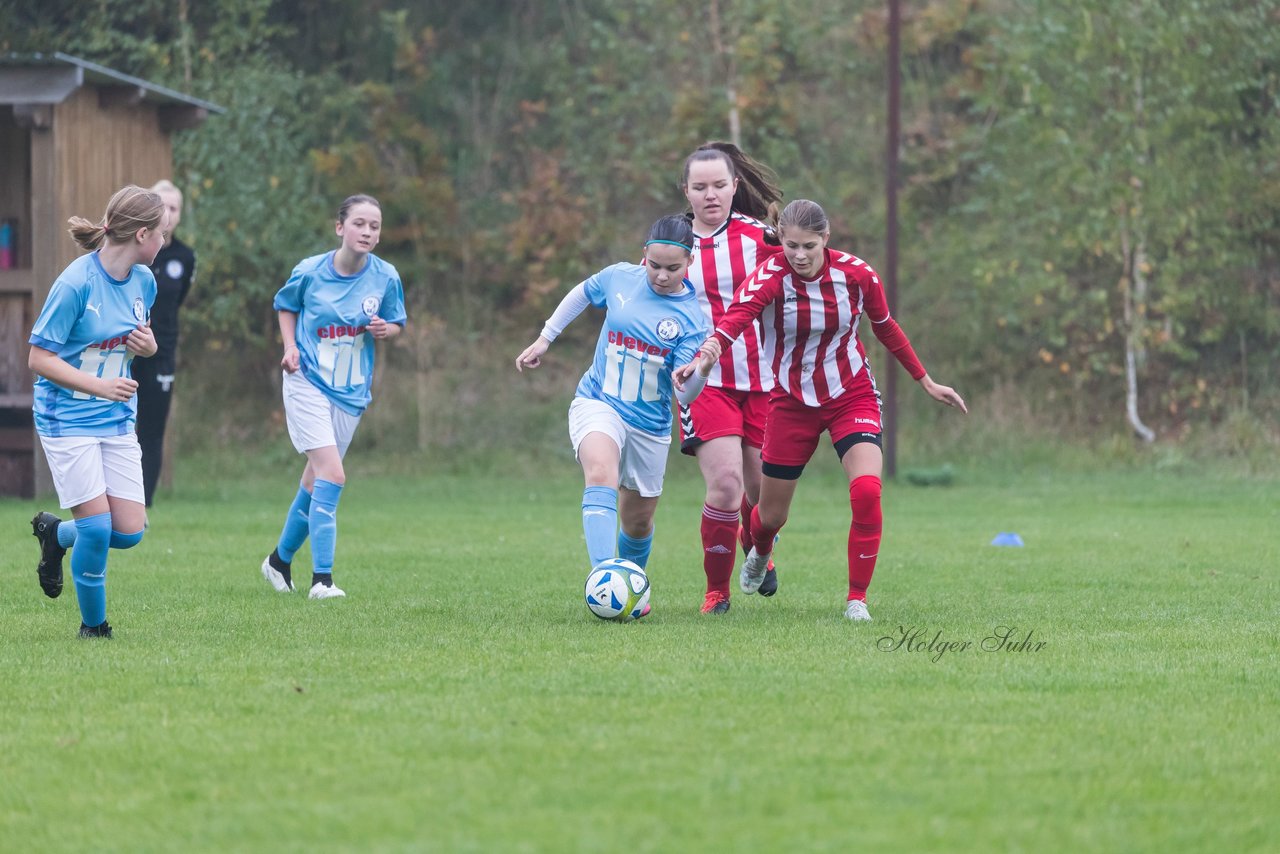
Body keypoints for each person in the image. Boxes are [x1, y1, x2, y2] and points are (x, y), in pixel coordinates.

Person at [676, 199, 967, 621]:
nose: (798, 255)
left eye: (808, 246)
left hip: (851, 394)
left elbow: (885, 327)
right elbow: (735, 319)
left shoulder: (857, 275)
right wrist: (706, 356)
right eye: (791, 245)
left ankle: (856, 600)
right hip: (791, 403)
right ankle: (758, 547)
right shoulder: (771, 277)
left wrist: (926, 380)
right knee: (771, 515)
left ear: (825, 239)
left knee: (867, 490)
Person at [515, 215, 711, 600]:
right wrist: (545, 338)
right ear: (644, 257)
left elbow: (685, 397)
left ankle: (630, 590)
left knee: (637, 522)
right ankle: (603, 580)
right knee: (601, 470)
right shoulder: (620, 277)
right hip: (598, 402)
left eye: (672, 268)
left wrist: (700, 371)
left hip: (650, 426)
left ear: (690, 262)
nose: (661, 275)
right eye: (654, 265)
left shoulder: (691, 320)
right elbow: (582, 293)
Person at [28, 185, 166, 639]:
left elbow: (134, 342)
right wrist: (101, 386)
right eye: (161, 232)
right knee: (97, 527)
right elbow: (39, 358)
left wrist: (148, 346)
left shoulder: (145, 282)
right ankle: (94, 627)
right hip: (66, 421)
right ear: (143, 234)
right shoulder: (75, 283)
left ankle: (56, 535)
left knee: (127, 531)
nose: (165, 240)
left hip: (116, 419)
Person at [259, 194, 406, 599]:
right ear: (340, 227)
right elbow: (285, 306)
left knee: (314, 481)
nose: (368, 232)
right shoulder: (310, 271)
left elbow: (396, 323)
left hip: (351, 391)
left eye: (374, 226)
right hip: (306, 381)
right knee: (333, 475)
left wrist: (384, 331)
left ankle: (278, 561)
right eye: (359, 223)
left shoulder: (386, 277)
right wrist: (289, 347)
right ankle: (321, 581)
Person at [677, 141, 786, 615]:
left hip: (765, 381)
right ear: (687, 191)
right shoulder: (672, 243)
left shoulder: (762, 237)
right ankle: (716, 592)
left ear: (735, 186)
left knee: (762, 491)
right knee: (725, 483)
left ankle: (759, 547)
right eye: (699, 187)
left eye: (719, 185)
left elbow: (807, 269)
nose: (710, 194)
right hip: (706, 381)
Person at [134, 179, 197, 507]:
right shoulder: (135, 251)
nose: (168, 214)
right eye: (163, 207)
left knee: (152, 430)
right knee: (119, 425)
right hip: (127, 351)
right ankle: (114, 500)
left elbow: (178, 299)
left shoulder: (185, 258)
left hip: (163, 353)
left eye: (174, 208)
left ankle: (143, 506)